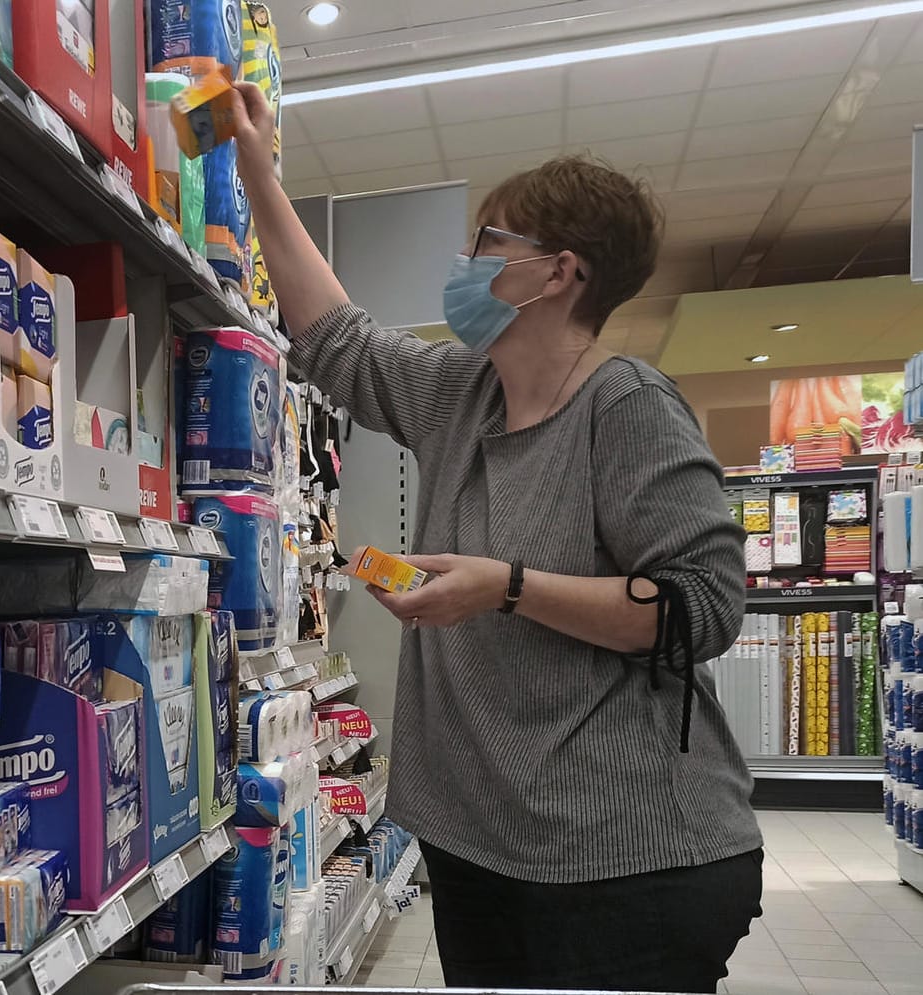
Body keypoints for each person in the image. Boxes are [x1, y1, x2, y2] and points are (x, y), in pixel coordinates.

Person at [226, 80, 764, 992]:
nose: (464, 260)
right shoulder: (460, 393)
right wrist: (254, 164)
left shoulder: (625, 406)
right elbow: (335, 336)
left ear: (559, 272)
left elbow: (702, 606)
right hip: (481, 844)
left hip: (627, 861)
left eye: (485, 242)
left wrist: (507, 585)